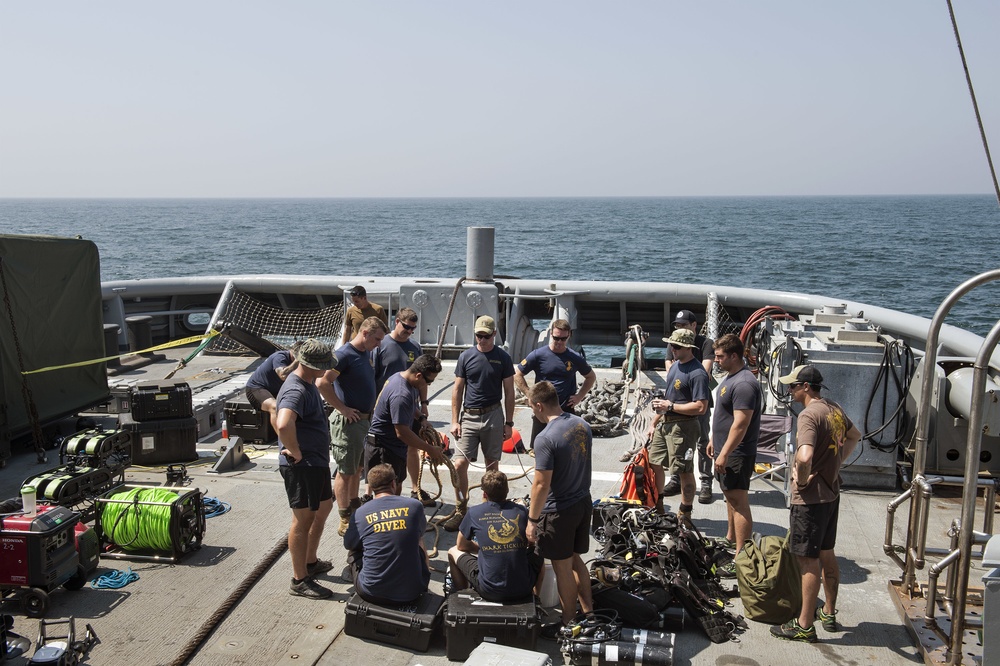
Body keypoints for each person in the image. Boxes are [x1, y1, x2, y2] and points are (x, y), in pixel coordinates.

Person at [770, 364, 861, 643]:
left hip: (810, 501)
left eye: (793, 386)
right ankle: (829, 613)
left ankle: (804, 625)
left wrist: (803, 478)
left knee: (808, 562)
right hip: (831, 495)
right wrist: (835, 465)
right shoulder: (833, 408)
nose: (789, 390)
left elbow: (805, 455)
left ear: (806, 387)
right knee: (827, 553)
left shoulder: (809, 415)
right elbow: (854, 436)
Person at [525, 381, 594, 634]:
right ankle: (589, 612)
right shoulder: (582, 425)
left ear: (540, 405)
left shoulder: (545, 438)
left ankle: (568, 623)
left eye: (533, 407)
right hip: (582, 502)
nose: (533, 412)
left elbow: (541, 484)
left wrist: (532, 521)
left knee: (562, 568)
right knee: (576, 560)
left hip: (559, 512)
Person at [274, 339, 337, 599]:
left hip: (316, 462)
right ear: (311, 366)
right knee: (302, 520)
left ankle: (310, 561)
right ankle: (300, 579)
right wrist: (296, 451)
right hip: (304, 465)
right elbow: (283, 423)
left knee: (324, 506)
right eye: (323, 366)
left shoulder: (307, 383)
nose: (326, 370)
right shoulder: (296, 390)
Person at [317, 316, 388, 537]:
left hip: (363, 422)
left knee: (357, 468)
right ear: (365, 333)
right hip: (349, 423)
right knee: (345, 472)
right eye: (376, 339)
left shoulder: (366, 352)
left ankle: (355, 505)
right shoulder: (344, 355)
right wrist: (342, 409)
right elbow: (322, 383)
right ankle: (345, 517)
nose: (378, 344)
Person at [446, 315, 516, 531]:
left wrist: (509, 423)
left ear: (494, 334)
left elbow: (509, 392)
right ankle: (461, 508)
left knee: (492, 466)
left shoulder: (503, 358)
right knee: (458, 465)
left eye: (486, 336)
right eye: (478, 335)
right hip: (469, 416)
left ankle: (489, 507)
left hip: (493, 415)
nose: (482, 339)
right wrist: (454, 421)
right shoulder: (466, 356)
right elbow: (457, 390)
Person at [706, 333, 762, 570]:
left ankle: (741, 556)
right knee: (729, 496)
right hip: (725, 450)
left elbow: (741, 424)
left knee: (739, 502)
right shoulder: (732, 377)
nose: (716, 360)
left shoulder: (744, 384)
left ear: (734, 356)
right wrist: (713, 439)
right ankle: (730, 537)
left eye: (720, 357)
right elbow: (725, 416)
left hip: (736, 454)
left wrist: (725, 453)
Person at [447, 469, 544, 602]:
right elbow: (531, 543)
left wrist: (486, 549)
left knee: (452, 551)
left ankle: (461, 598)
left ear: (484, 494)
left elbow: (461, 545)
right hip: (523, 588)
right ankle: (536, 598)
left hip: (489, 591)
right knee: (540, 552)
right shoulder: (522, 511)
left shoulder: (474, 513)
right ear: (507, 490)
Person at [645, 328, 710, 525]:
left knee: (684, 470)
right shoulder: (674, 367)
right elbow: (669, 397)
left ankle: (685, 513)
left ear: (688, 348)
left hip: (684, 427)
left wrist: (671, 407)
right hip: (666, 424)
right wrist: (654, 421)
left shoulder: (698, 373)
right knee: (654, 462)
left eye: (676, 346)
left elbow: (701, 406)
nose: (672, 349)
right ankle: (659, 506)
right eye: (671, 345)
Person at [344, 463, 431, 604]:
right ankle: (421, 579)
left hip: (371, 593)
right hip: (413, 592)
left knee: (355, 547)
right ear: (393, 483)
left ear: (371, 488)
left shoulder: (360, 513)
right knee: (419, 539)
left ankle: (361, 574)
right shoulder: (415, 506)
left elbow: (348, 544)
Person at [374, 307, 433, 507]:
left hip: (409, 406)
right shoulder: (381, 345)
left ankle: (415, 488)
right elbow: (373, 376)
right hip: (386, 405)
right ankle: (371, 492)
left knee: (411, 445)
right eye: (406, 327)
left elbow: (422, 377)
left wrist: (423, 405)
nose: (409, 332)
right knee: (382, 450)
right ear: (397, 321)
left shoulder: (414, 347)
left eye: (412, 329)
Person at [513, 319, 596, 452]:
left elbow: (591, 377)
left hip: (565, 411)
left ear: (569, 336)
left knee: (566, 450)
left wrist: (579, 396)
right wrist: (529, 394)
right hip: (542, 412)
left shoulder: (575, 357)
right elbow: (517, 374)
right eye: (556, 338)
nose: (559, 342)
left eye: (563, 339)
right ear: (551, 333)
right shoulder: (538, 355)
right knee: (539, 450)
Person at [365, 353, 447, 489]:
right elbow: (402, 433)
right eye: (428, 382)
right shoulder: (401, 394)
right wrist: (430, 449)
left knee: (397, 486)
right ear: (419, 376)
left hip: (394, 448)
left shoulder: (401, 378)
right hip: (384, 449)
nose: (428, 385)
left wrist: (421, 418)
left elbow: (410, 406)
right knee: (387, 492)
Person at [661, 310, 716, 504]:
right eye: (677, 325)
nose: (680, 329)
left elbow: (706, 369)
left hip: (697, 400)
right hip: (676, 405)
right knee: (674, 445)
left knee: (702, 443)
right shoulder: (675, 342)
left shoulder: (706, 343)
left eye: (684, 325)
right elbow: (670, 365)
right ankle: (676, 479)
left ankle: (706, 482)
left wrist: (686, 376)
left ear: (694, 325)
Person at [244, 344, 299, 434]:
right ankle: (284, 441)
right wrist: (297, 361)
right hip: (256, 388)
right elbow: (283, 375)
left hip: (276, 390)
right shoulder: (280, 356)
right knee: (274, 407)